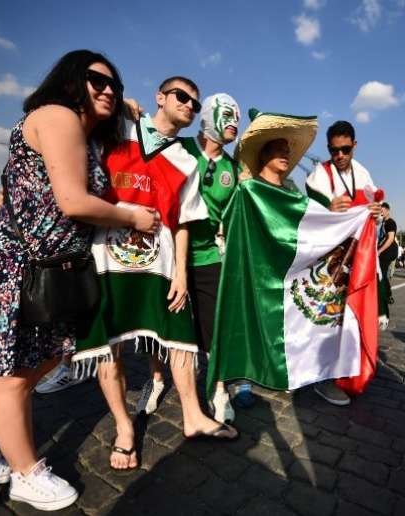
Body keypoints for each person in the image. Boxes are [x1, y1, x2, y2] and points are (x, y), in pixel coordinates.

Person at [0, 50, 159, 511]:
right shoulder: (59, 115)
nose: (107, 90)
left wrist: (125, 107)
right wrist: (132, 216)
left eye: (114, 86)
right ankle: (25, 473)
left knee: (24, 369)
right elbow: (73, 201)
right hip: (20, 265)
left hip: (40, 265)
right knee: (16, 376)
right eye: (95, 80)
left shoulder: (77, 127)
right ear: (69, 81)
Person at [74, 76, 238, 472]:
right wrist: (119, 105)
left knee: (181, 342)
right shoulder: (120, 129)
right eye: (181, 97)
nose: (189, 106)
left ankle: (194, 416)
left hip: (160, 264)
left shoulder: (185, 159)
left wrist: (181, 272)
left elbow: (182, 222)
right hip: (105, 259)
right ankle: (124, 428)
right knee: (108, 347)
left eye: (195, 104)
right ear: (160, 98)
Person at [177, 93, 243, 423]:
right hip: (170, 254)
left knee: (213, 327)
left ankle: (219, 389)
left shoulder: (234, 168)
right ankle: (158, 379)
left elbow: (236, 218)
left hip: (208, 257)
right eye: (228, 114)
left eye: (238, 117)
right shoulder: (180, 149)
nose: (235, 122)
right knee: (169, 325)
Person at [305, 120, 381, 406]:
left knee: (349, 320)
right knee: (325, 320)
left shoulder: (363, 173)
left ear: (354, 146)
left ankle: (346, 371)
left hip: (357, 260)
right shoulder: (318, 175)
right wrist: (327, 208)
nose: (339, 155)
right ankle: (321, 378)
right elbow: (307, 212)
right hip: (330, 263)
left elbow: (375, 207)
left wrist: (378, 211)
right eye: (334, 150)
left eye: (345, 149)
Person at [378, 202, 398, 304]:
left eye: (382, 210)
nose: (380, 212)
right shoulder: (382, 223)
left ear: (387, 210)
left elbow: (390, 239)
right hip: (384, 250)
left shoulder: (390, 222)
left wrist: (379, 251)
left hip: (389, 250)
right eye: (379, 211)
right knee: (379, 272)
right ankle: (382, 293)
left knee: (381, 272)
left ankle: (388, 295)